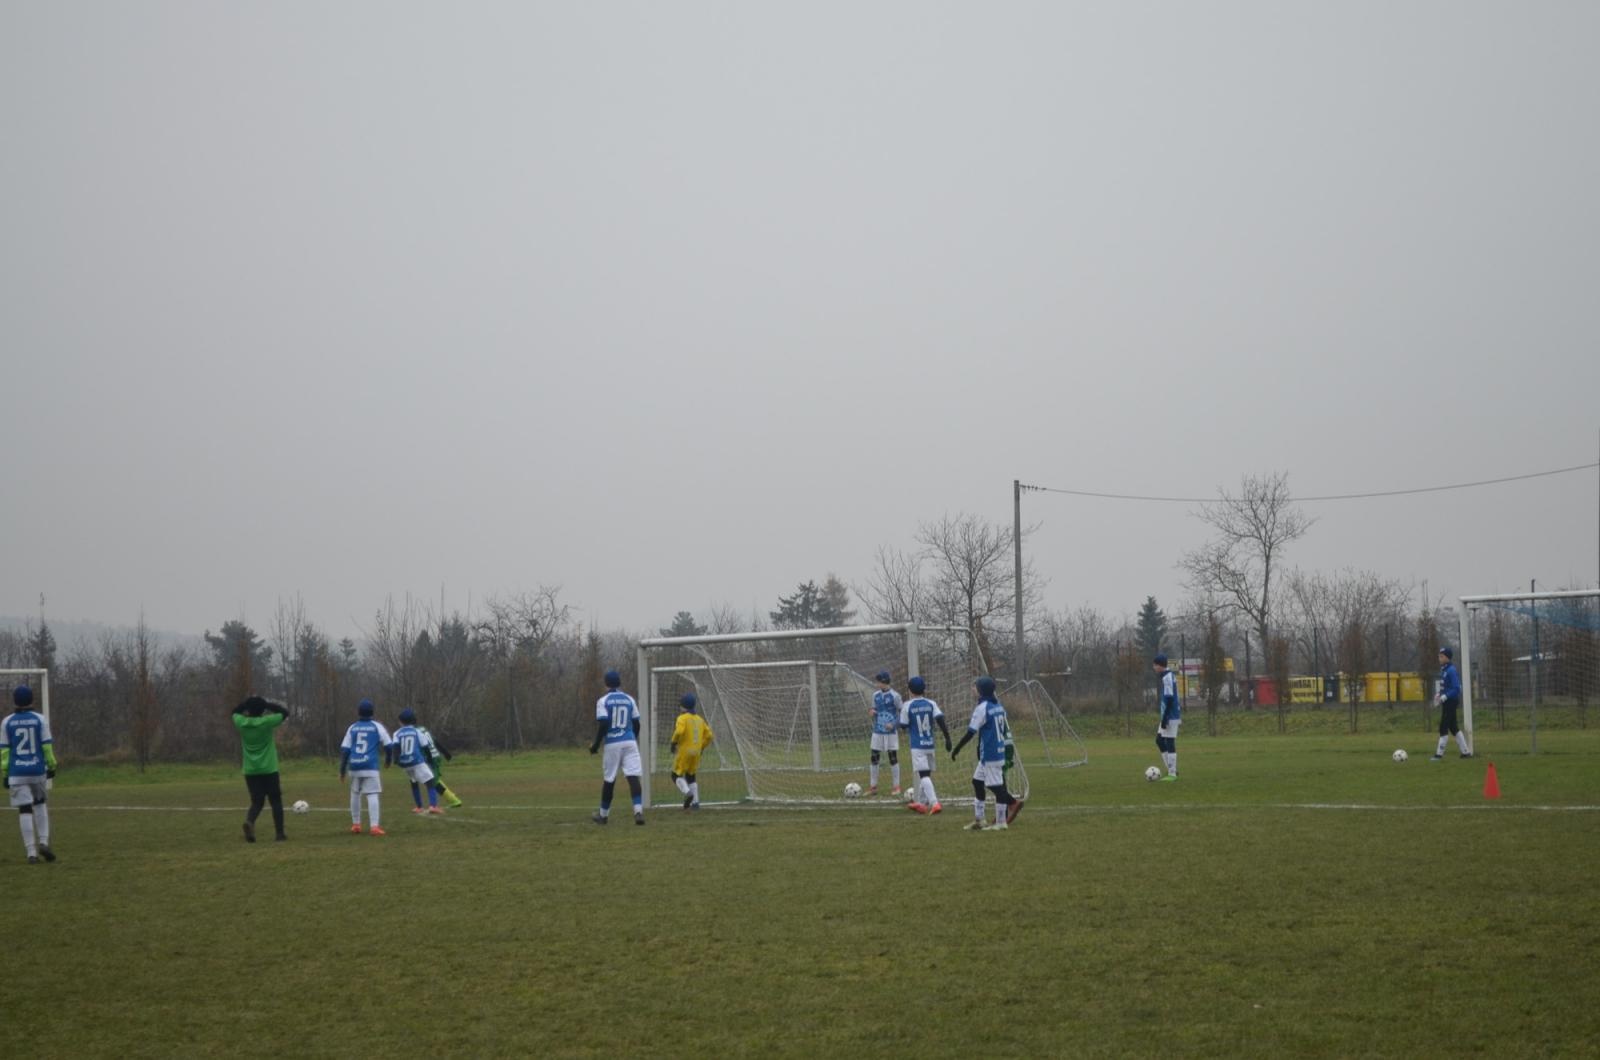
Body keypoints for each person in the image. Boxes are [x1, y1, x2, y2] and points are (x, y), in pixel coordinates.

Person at [950, 676, 1023, 830]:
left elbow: (971, 733)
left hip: (990, 754)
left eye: (975, 687)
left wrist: (957, 748)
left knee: (997, 787)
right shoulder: (998, 706)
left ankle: (1001, 822)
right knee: (977, 782)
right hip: (995, 751)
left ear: (981, 690)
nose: (972, 689)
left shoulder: (982, 708)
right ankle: (980, 820)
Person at [1, 685, 57, 863]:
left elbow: (4, 751)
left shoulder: (7, 722)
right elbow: (47, 746)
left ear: (15, 701)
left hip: (17, 771)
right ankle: (44, 842)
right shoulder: (40, 719)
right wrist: (52, 765)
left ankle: (31, 853)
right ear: (32, 699)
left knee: (24, 809)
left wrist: (5, 773)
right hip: (36, 769)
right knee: (40, 804)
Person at [589, 670, 644, 825]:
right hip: (630, 741)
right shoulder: (629, 699)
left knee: (609, 779)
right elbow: (637, 723)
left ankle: (603, 816)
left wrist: (595, 745)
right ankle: (638, 812)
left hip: (613, 743)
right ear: (619, 683)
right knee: (633, 777)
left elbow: (604, 723)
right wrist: (633, 737)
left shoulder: (603, 701)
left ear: (606, 683)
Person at [232, 695, 289, 842]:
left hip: (251, 770)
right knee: (275, 799)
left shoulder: (242, 723)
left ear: (248, 710)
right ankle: (280, 834)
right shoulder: (266, 722)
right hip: (269, 768)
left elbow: (234, 712)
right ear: (263, 710)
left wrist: (245, 704)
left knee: (257, 801)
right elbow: (284, 713)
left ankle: (250, 821)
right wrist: (268, 705)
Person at [339, 699, 394, 835]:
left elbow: (345, 750)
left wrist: (342, 770)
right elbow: (389, 745)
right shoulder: (377, 726)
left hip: (355, 765)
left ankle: (356, 824)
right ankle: (374, 827)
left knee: (355, 793)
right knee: (372, 794)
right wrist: (388, 760)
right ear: (372, 712)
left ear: (358, 712)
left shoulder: (352, 727)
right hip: (370, 765)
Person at [900, 675, 951, 815]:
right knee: (926, 774)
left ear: (909, 690)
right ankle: (922, 803)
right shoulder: (931, 703)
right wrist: (947, 738)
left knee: (923, 775)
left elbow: (903, 725)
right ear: (924, 689)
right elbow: (940, 720)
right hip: (930, 744)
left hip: (917, 745)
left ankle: (935, 803)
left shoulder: (907, 705)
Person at [669, 692, 715, 810]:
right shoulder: (700, 719)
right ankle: (695, 803)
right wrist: (702, 747)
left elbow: (679, 732)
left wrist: (673, 742)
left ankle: (688, 793)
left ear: (683, 706)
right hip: (696, 752)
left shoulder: (682, 718)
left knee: (675, 775)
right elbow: (709, 735)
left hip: (685, 752)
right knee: (691, 776)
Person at [393, 708, 444, 815]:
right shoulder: (416, 731)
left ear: (401, 721)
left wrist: (397, 760)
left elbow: (396, 748)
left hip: (405, 763)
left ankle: (419, 807)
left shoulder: (396, 733)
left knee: (413, 782)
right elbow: (425, 747)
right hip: (416, 761)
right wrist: (429, 760)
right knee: (430, 781)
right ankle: (433, 806)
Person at [1432, 647, 1472, 761]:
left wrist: (1445, 696)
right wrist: (1439, 694)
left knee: (1443, 726)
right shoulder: (1444, 669)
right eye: (1439, 656)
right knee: (1453, 727)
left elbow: (1456, 688)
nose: (1439, 658)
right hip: (1447, 701)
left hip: (1451, 701)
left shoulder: (1451, 670)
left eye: (1442, 656)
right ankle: (1466, 752)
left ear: (1447, 658)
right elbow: (1446, 686)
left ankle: (1439, 755)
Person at [867, 670, 903, 796]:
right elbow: (873, 709)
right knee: (874, 758)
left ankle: (896, 786)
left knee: (892, 758)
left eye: (878, 681)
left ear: (884, 682)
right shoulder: (875, 695)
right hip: (877, 732)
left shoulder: (895, 696)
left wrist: (893, 724)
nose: (877, 684)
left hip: (890, 733)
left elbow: (902, 713)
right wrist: (871, 712)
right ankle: (873, 787)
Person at [416, 721, 462, 808]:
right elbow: (435, 741)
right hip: (435, 756)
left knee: (433, 781)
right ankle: (451, 796)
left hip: (431, 757)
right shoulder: (423, 729)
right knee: (434, 780)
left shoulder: (414, 732)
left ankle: (454, 800)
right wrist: (446, 753)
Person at [1153, 654, 1180, 781]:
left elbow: (1169, 698)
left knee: (1169, 742)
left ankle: (1172, 774)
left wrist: (1165, 719)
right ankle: (1171, 770)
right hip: (1167, 714)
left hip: (1170, 715)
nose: (1154, 667)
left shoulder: (1167, 677)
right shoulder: (1166, 676)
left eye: (1155, 665)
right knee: (1159, 740)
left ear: (1159, 665)